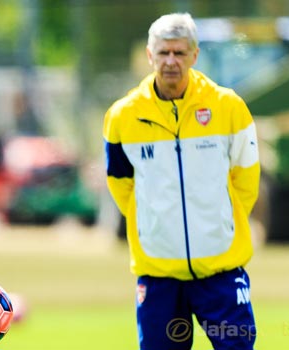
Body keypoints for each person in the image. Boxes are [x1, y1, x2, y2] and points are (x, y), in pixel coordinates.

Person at [102, 13, 260, 350]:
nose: (170, 61)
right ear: (149, 55)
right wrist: (154, 227)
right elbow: (120, 182)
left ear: (194, 55)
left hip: (220, 271)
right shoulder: (121, 116)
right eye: (163, 53)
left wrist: (220, 226)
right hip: (159, 276)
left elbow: (246, 178)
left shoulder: (228, 106)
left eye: (179, 52)